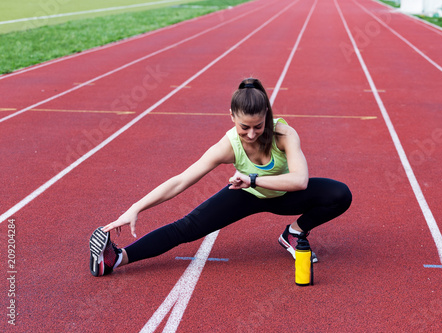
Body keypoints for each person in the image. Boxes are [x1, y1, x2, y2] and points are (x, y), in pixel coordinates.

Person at [89, 78, 352, 277]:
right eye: (244, 127)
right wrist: (135, 208)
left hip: (282, 194)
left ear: (267, 118)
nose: (251, 134)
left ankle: (294, 233)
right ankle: (116, 258)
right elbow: (181, 180)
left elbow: (299, 181)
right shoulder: (227, 146)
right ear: (232, 118)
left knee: (339, 195)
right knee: (186, 227)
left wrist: (253, 179)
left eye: (258, 126)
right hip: (245, 196)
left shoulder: (284, 135)